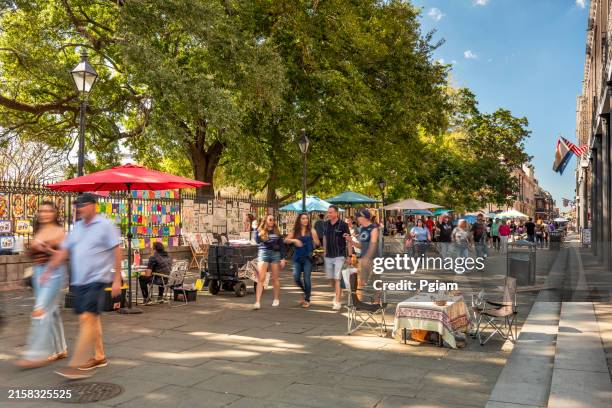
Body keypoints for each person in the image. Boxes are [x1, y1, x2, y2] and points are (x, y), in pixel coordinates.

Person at [43, 193, 122, 379]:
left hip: (97, 279)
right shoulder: (77, 228)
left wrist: (117, 278)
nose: (79, 208)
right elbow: (65, 251)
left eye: (83, 205)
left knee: (87, 318)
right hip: (79, 281)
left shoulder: (105, 225)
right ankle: (100, 356)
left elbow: (117, 250)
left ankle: (76, 365)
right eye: (78, 206)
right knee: (90, 320)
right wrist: (49, 269)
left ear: (94, 206)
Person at [15, 202, 67, 369]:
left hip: (53, 272)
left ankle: (36, 354)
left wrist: (48, 255)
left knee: (39, 311)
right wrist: (31, 248)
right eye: (42, 211)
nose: (44, 214)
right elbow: (34, 255)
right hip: (38, 272)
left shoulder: (59, 231)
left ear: (54, 213)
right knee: (52, 312)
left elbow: (63, 254)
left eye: (48, 211)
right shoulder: (39, 231)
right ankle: (60, 349)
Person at [285, 213, 320, 308]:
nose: (305, 220)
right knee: (296, 278)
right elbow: (286, 240)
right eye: (303, 218)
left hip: (308, 258)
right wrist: (294, 241)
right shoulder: (295, 232)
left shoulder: (311, 231)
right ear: (299, 220)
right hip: (297, 258)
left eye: (306, 219)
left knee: (306, 279)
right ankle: (306, 292)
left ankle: (307, 299)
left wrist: (314, 243)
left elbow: (317, 243)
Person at [253, 215, 286, 310]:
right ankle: (257, 302)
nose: (272, 221)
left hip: (275, 254)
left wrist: (282, 258)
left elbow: (282, 245)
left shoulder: (277, 232)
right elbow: (257, 240)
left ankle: (276, 298)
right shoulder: (261, 230)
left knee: (275, 278)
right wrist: (255, 229)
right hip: (263, 252)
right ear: (266, 221)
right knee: (261, 278)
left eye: (273, 219)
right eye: (270, 219)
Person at [322, 205, 351, 310]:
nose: (328, 214)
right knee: (331, 278)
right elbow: (324, 238)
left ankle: (337, 301)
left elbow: (349, 240)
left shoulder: (343, 225)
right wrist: (324, 250)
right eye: (328, 212)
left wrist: (350, 255)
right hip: (328, 255)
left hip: (340, 255)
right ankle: (338, 292)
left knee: (337, 278)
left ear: (336, 213)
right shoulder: (325, 224)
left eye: (330, 212)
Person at [349, 208, 380, 284]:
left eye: (358, 217)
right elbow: (361, 245)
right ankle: (364, 295)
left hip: (373, 259)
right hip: (364, 259)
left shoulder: (374, 228)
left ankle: (377, 295)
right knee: (362, 282)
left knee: (376, 282)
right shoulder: (362, 229)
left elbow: (373, 245)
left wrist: (366, 258)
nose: (357, 218)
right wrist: (351, 241)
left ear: (364, 218)